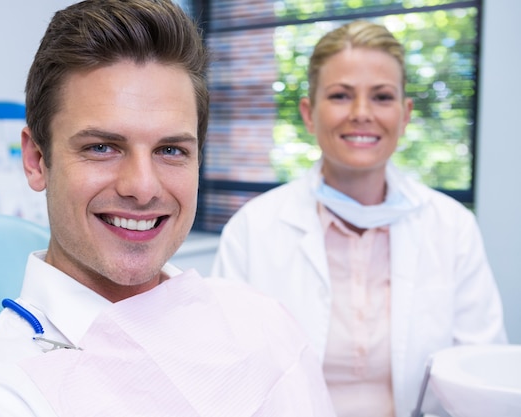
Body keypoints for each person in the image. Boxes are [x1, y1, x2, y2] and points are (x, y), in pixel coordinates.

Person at [0, 1, 336, 416]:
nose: (142, 187)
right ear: (36, 160)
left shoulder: (258, 318)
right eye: (101, 147)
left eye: (170, 149)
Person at [211, 19, 507, 417]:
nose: (362, 113)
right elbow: (226, 379)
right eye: (340, 95)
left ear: (405, 115)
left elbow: (480, 376)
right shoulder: (253, 229)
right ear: (309, 114)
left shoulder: (452, 227)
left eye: (382, 97)